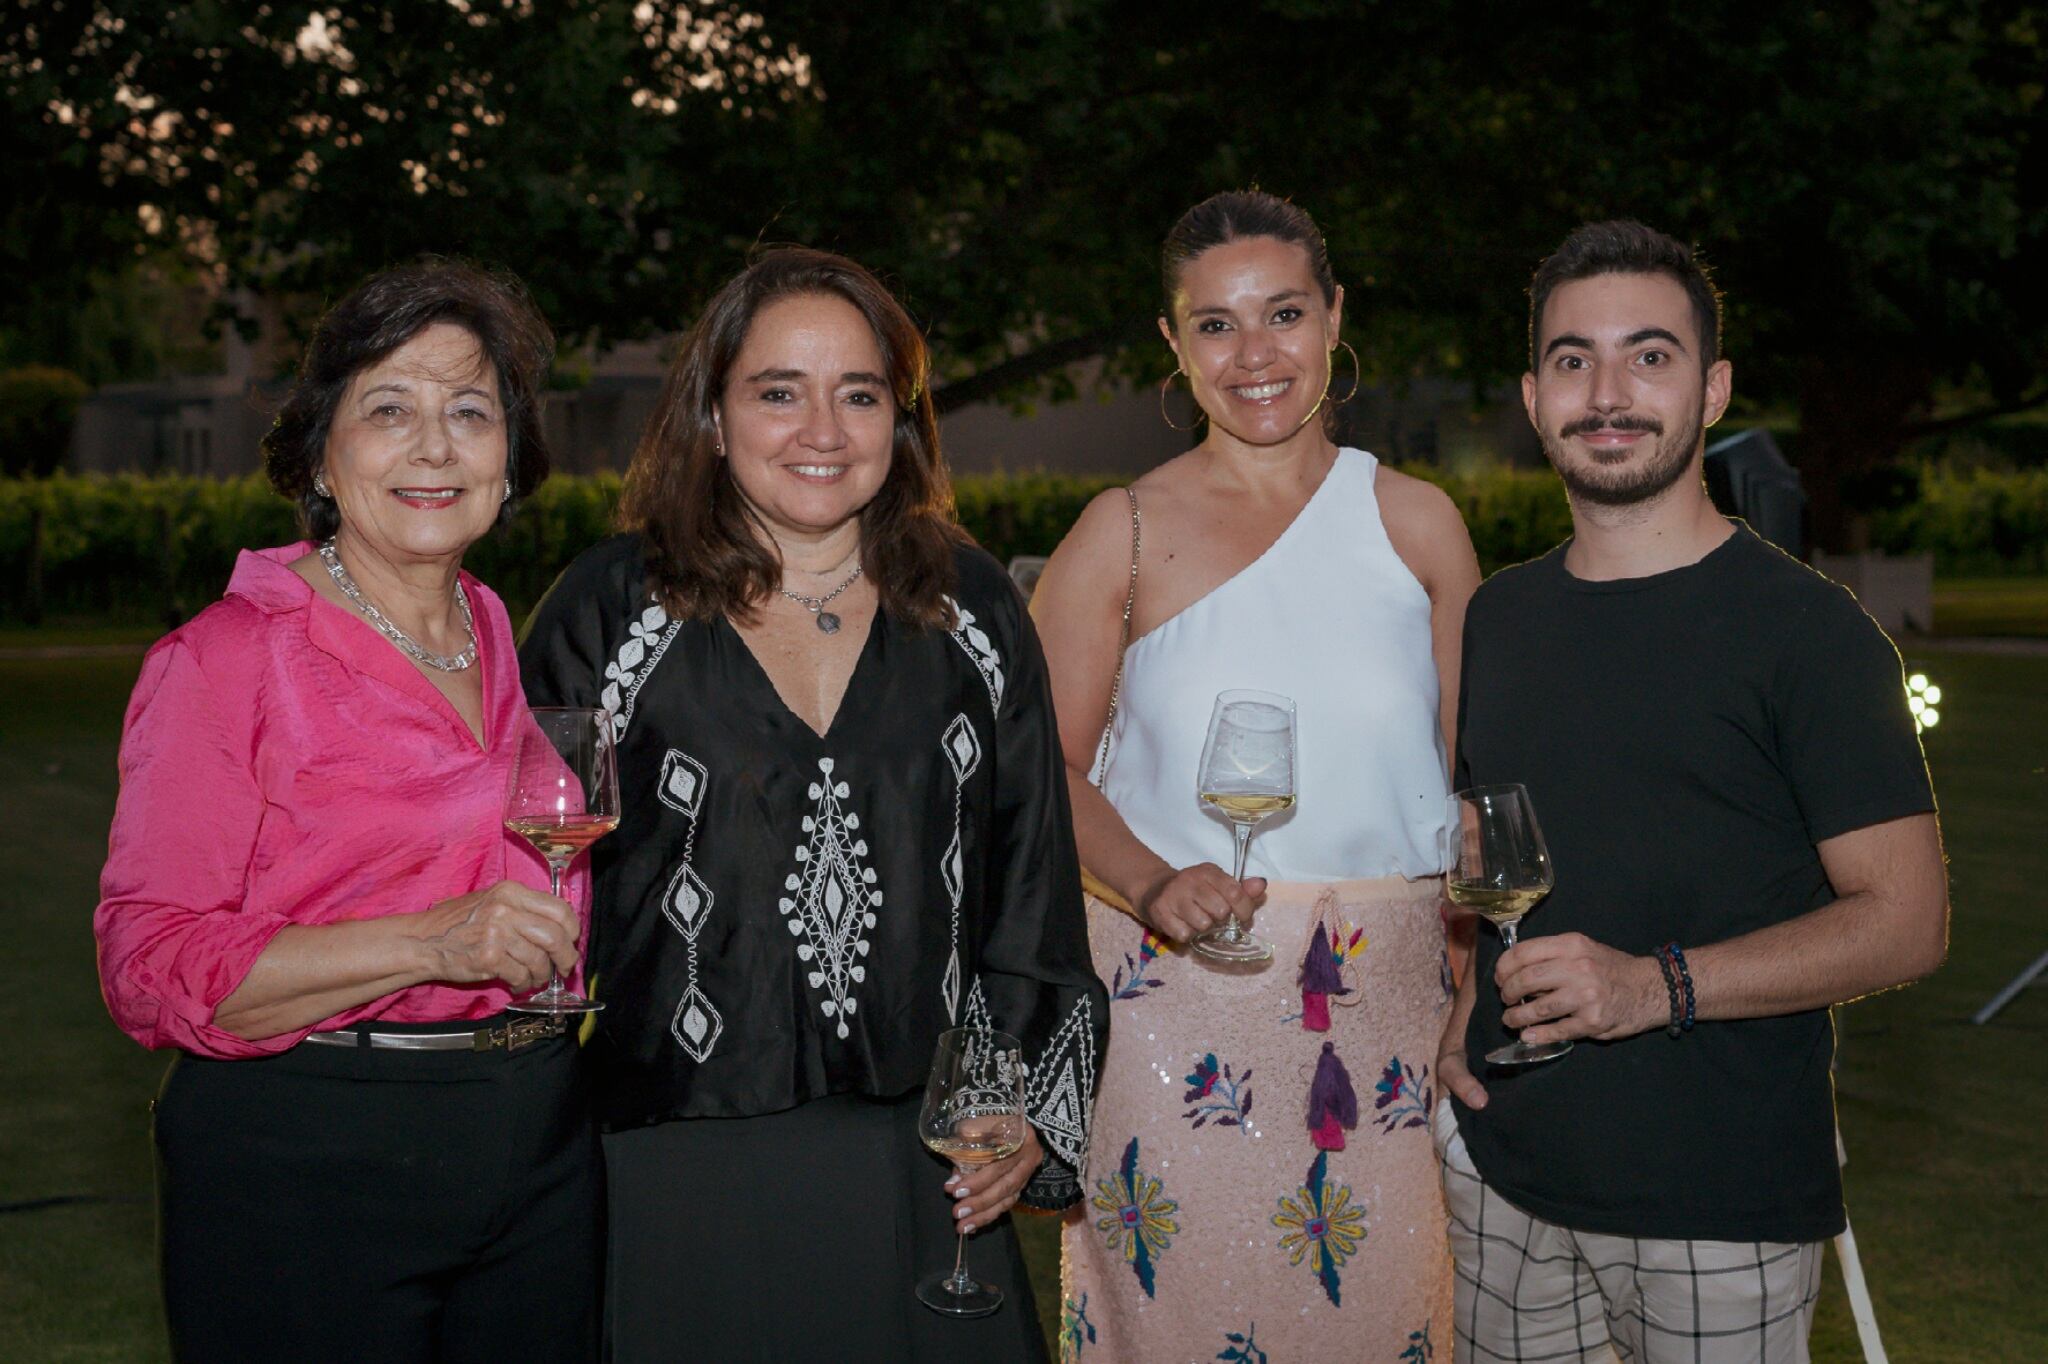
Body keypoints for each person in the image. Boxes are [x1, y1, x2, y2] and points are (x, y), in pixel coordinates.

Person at [517, 246, 1108, 1362]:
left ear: (904, 416)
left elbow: (1029, 883)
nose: (821, 430)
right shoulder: (611, 608)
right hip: (676, 1159)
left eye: (859, 393)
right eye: (778, 391)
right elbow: (524, 870)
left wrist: (1022, 1103)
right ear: (712, 410)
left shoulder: (969, 606)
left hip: (924, 1168)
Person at [1434, 220, 1950, 1363]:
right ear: (1531, 395)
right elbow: (1488, 850)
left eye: (1648, 355)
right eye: (1572, 359)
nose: (1606, 391)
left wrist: (1652, 986)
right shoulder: (1497, 620)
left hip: (1719, 1203)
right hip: (1501, 1180)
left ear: (1711, 388)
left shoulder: (1809, 633)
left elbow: (1905, 920)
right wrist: (1452, 996)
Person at [94, 262, 601, 1362]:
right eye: (388, 409)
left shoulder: (487, 621)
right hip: (307, 1153)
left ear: (508, 459)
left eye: (469, 412)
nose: (433, 446)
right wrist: (433, 939)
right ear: (322, 452)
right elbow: (148, 963)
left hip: (532, 1136)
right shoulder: (223, 659)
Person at [1033, 191, 1481, 1362]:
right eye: (1215, 325)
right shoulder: (1117, 530)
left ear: (1334, 318)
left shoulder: (1418, 523)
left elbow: (1470, 788)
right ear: (1173, 346)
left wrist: (1471, 985)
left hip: (1385, 1019)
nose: (1254, 354)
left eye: (1282, 313)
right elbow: (1033, 771)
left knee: (1389, 1318)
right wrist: (1148, 881)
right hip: (1174, 1006)